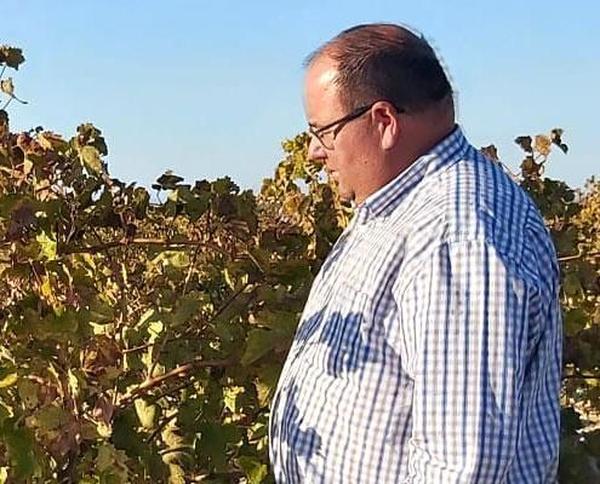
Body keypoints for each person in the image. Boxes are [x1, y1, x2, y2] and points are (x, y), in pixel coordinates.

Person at [268, 23, 562, 483]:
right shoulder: (404, 206)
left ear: (384, 122)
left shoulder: (457, 232)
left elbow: (461, 468)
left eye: (322, 132)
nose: (313, 152)